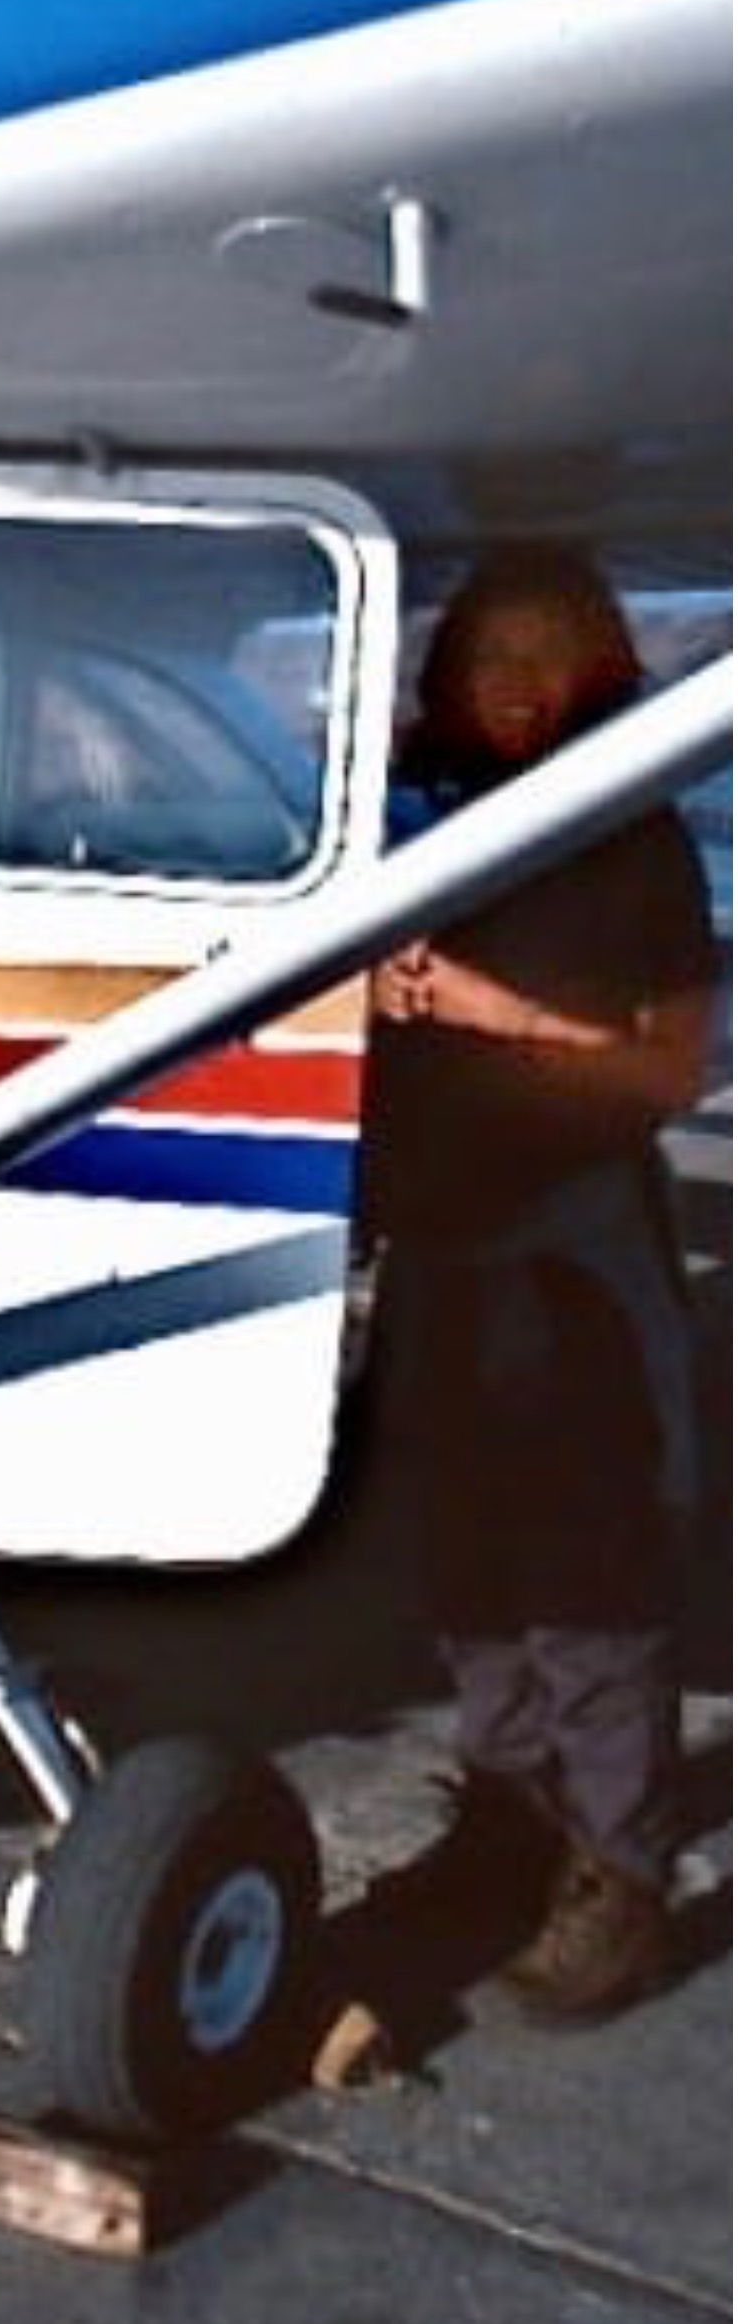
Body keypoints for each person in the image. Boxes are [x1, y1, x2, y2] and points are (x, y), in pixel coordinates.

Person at [362, 544, 717, 2025]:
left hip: (569, 1262)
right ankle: (509, 1817)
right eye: (481, 659)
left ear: (594, 673)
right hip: (440, 1261)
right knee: (471, 1569)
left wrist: (492, 1010)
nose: (507, 686)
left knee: (588, 1585)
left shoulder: (631, 847)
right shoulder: (416, 827)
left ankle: (623, 1874)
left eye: (540, 657)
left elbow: (672, 1064)